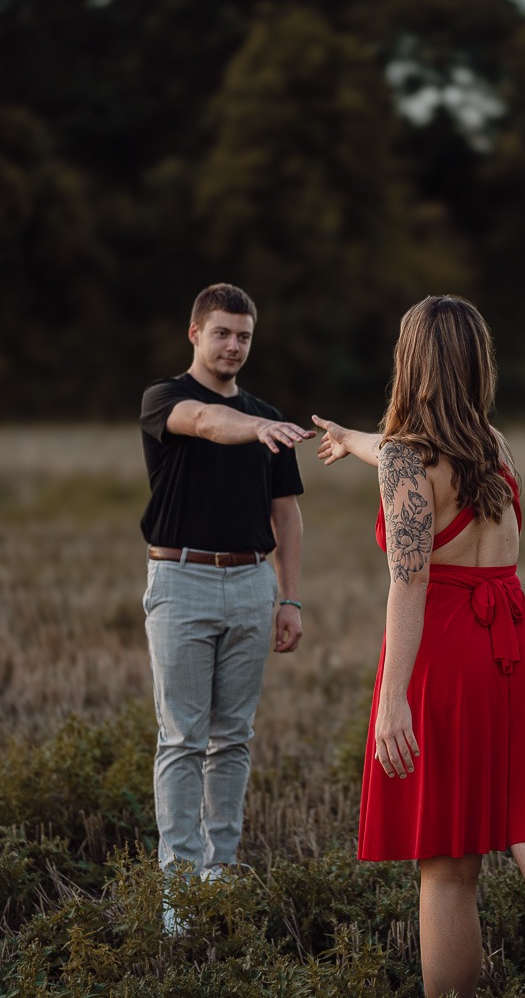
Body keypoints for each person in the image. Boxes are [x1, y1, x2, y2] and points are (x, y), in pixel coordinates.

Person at [312, 295, 525, 998]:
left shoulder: (407, 462)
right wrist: (353, 439)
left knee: (447, 865)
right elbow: (392, 454)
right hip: (524, 652)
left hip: (447, 661)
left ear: (408, 362)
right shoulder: (494, 446)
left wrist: (392, 704)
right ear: (478, 362)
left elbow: (409, 583)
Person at [140, 283, 314, 915]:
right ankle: (177, 894)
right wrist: (260, 427)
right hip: (180, 580)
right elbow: (209, 423)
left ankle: (222, 873)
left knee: (232, 738)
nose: (234, 345)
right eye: (222, 333)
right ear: (195, 333)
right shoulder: (166, 399)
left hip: (250, 584)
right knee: (183, 737)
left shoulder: (265, 416)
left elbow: (286, 516)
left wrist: (290, 600)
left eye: (244, 335)